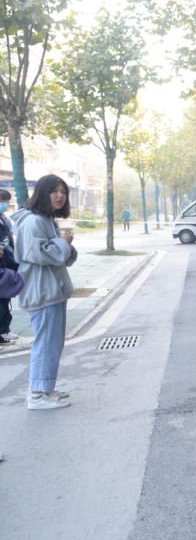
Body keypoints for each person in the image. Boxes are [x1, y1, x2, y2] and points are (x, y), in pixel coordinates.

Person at [13, 175, 77, 410]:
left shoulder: (46, 219)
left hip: (51, 290)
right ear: (42, 193)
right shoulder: (33, 221)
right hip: (42, 292)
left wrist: (65, 246)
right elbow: (40, 253)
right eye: (55, 191)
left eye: (63, 192)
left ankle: (45, 388)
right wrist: (64, 244)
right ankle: (38, 395)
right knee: (46, 343)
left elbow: (58, 253)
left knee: (52, 343)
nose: (60, 196)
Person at [0, 189, 18, 343]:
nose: (5, 204)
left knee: (5, 300)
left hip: (7, 264)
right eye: (2, 201)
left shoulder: (4, 219)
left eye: (6, 201)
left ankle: (5, 330)